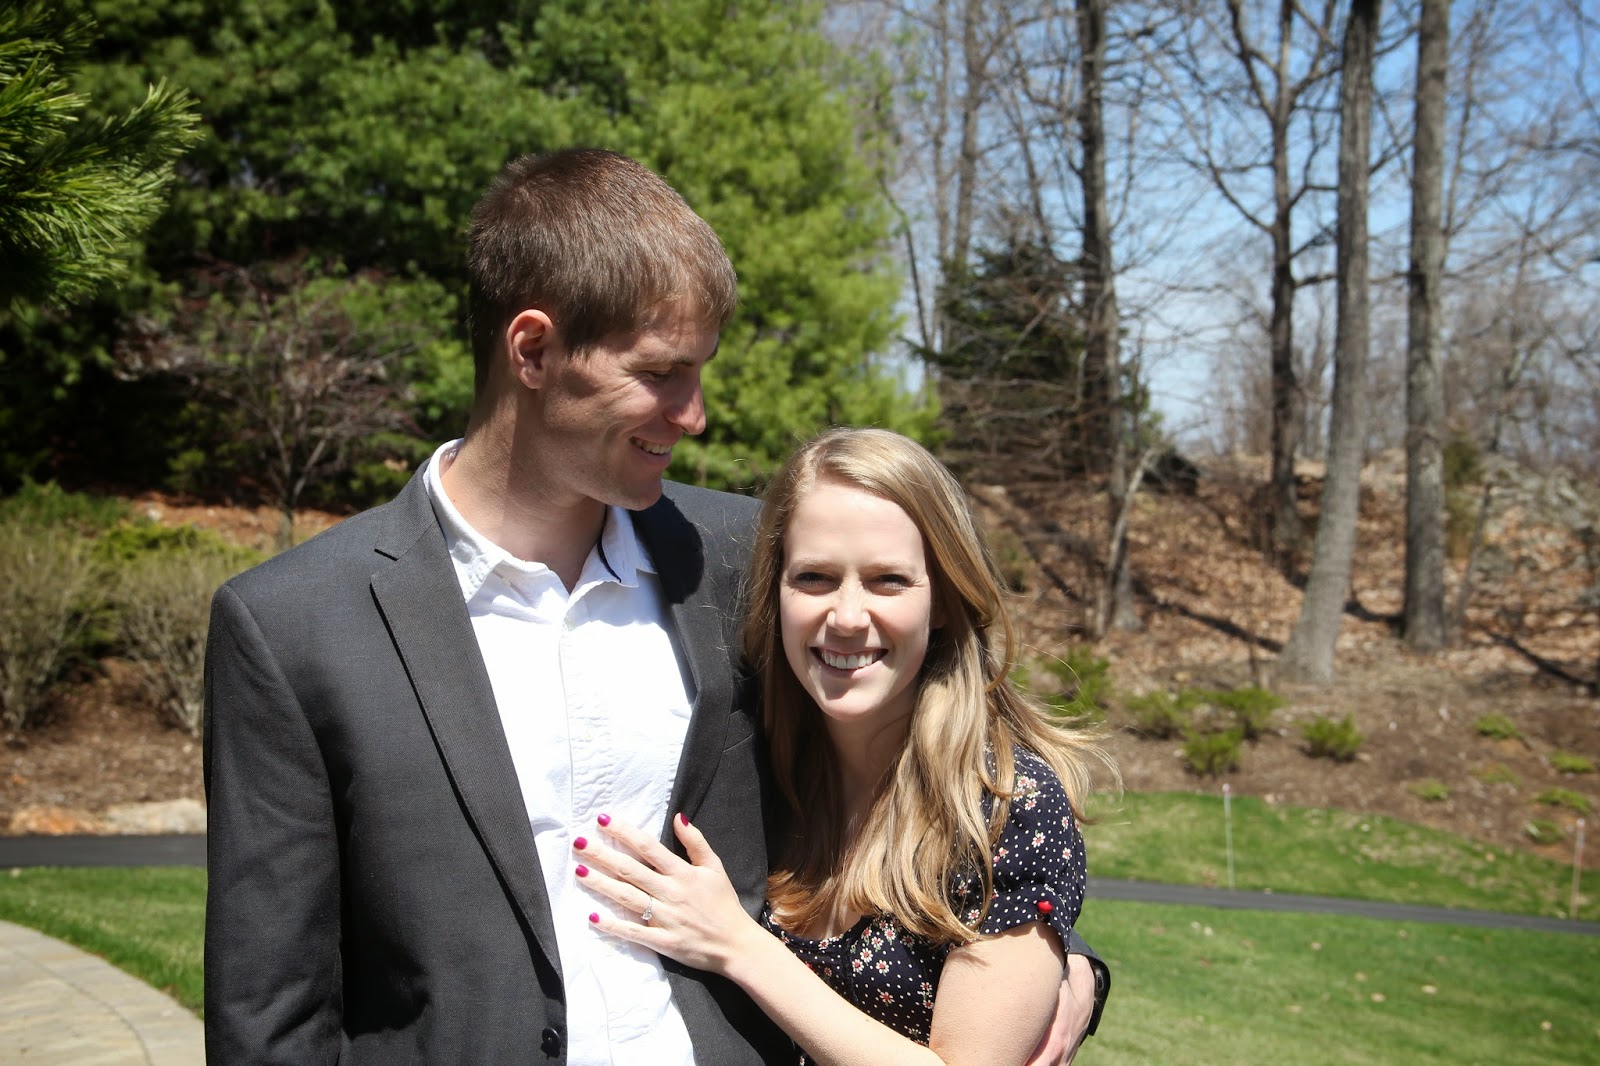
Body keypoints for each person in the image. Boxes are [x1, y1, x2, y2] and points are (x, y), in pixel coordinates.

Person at [203, 149, 1103, 1065]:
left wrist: (1061, 957)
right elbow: (268, 1011)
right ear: (533, 350)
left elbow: (928, 789)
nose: (695, 413)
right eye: (663, 372)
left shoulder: (744, 561)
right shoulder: (295, 626)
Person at [573, 427, 1115, 1065]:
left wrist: (737, 945)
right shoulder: (757, 762)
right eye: (815, 577)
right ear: (774, 591)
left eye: (888, 580)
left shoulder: (1006, 807)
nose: (849, 617)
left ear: (943, 599)